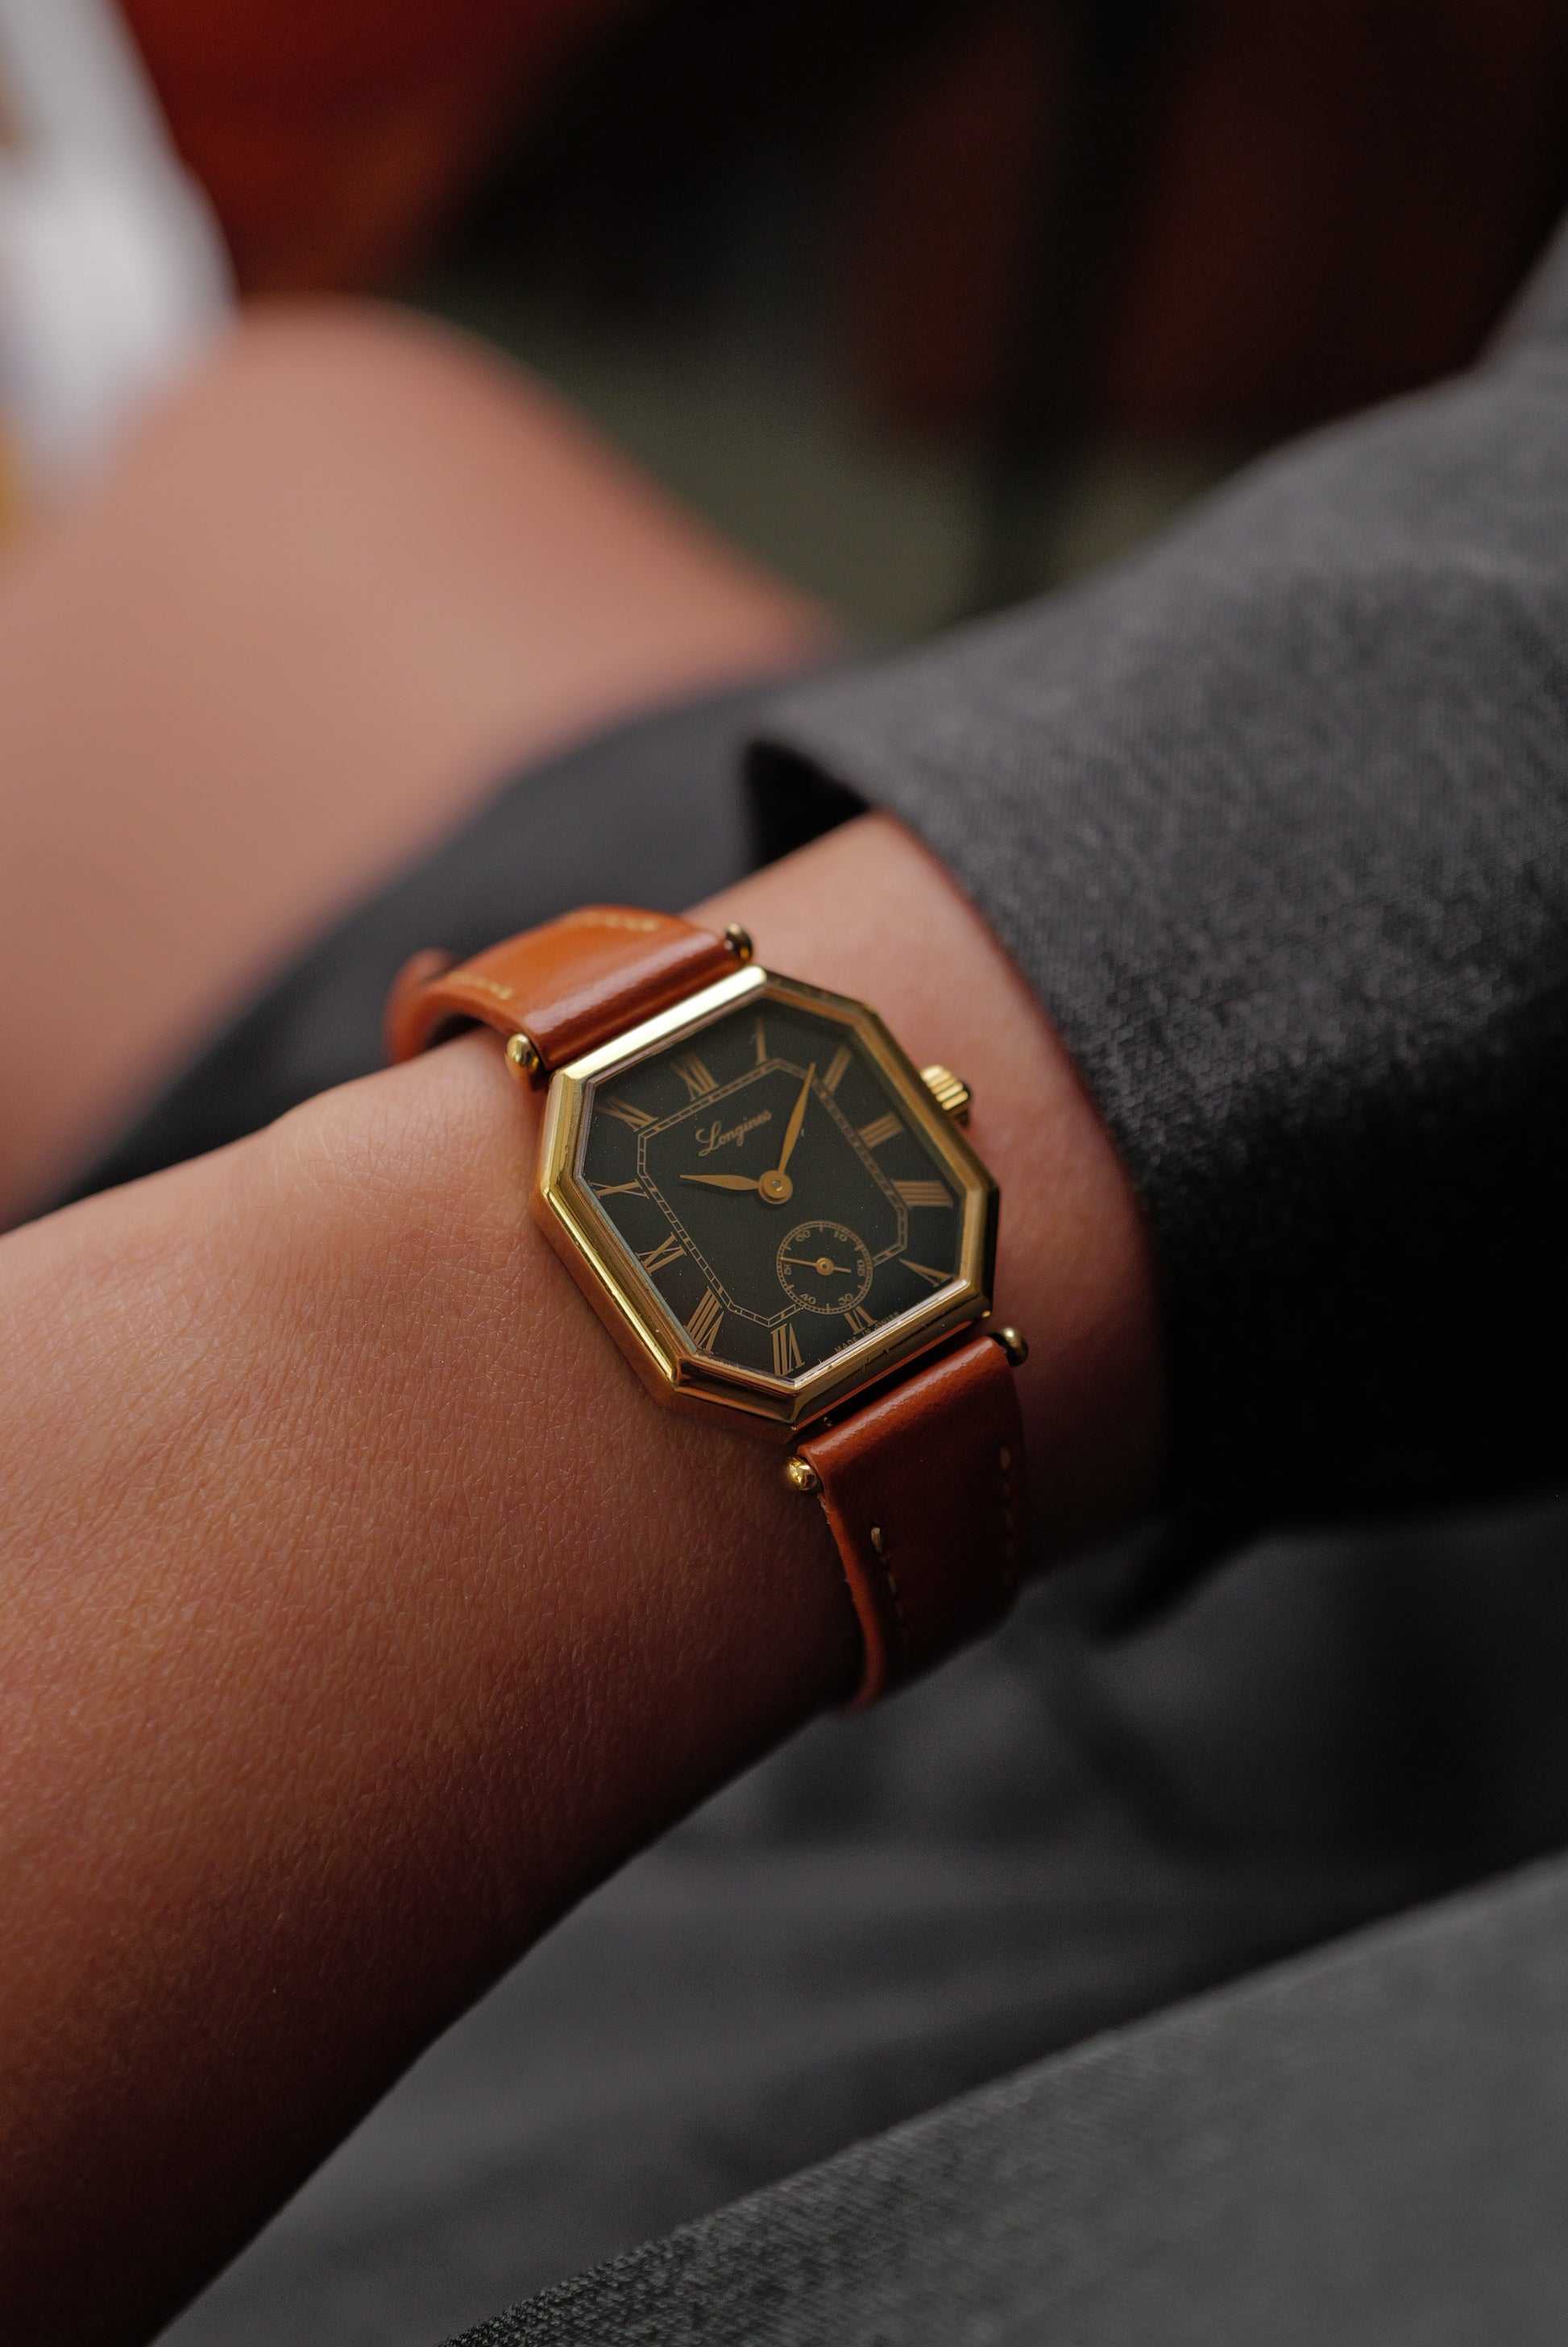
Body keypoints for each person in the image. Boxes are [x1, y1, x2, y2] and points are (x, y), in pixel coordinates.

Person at [2, 221, 1567, 2347]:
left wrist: (395, 1379)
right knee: (292, 436)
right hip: (1334, 1224)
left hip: (1264, 2098)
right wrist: (401, 1319)